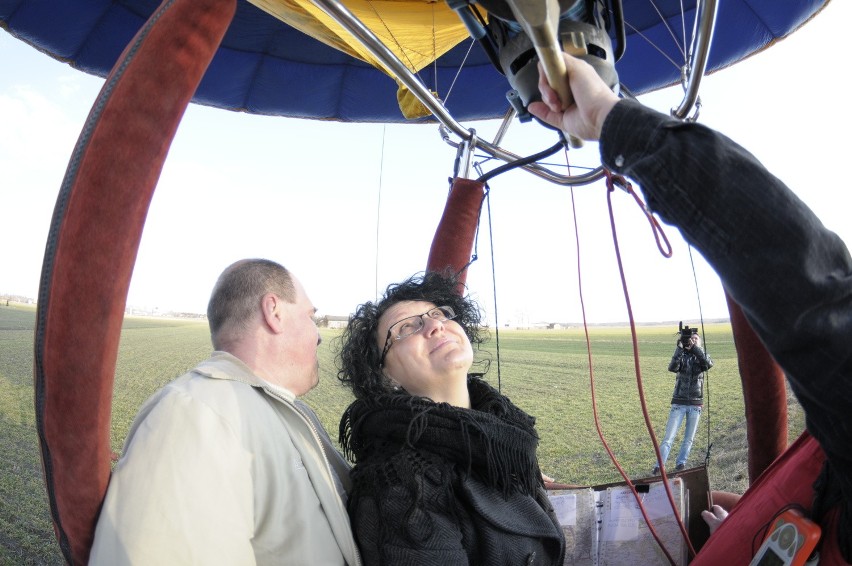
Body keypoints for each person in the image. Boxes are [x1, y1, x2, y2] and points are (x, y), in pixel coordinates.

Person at [528, 53, 851, 562]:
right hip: (694, 425)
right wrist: (741, 530)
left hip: (693, 402)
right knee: (674, 452)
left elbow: (807, 294)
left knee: (679, 451)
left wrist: (615, 122)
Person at [89, 259, 360, 564]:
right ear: (274, 312)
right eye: (312, 316)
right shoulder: (195, 415)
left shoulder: (284, 411)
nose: (318, 333)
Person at [335, 271, 565, 565]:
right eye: (407, 327)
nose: (434, 325)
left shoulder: (502, 437)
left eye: (439, 314)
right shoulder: (402, 484)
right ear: (385, 374)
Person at [652, 329, 713, 475]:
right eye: (690, 339)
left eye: (695, 339)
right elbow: (672, 368)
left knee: (688, 438)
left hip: (695, 404)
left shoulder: (702, 356)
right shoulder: (682, 355)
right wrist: (679, 349)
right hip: (678, 403)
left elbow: (707, 365)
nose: (692, 341)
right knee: (668, 438)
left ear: (700, 342)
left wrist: (696, 349)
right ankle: (659, 465)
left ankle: (681, 463)